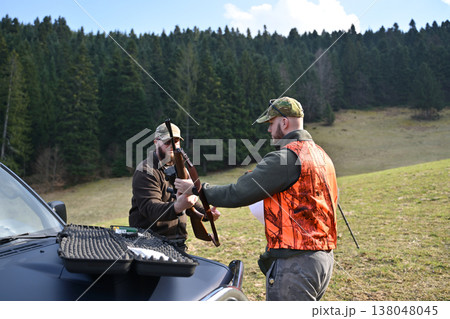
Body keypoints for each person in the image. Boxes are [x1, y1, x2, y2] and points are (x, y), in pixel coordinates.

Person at [175, 97, 338, 300]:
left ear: (284, 122)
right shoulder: (322, 156)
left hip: (294, 265)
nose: (269, 130)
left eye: (271, 124)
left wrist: (197, 189)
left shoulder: (285, 158)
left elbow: (237, 193)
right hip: (323, 261)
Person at [129, 122, 219, 250]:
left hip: (177, 243)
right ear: (156, 142)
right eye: (167, 142)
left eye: (176, 141)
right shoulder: (145, 170)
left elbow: (189, 202)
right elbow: (150, 208)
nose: (172, 145)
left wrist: (207, 213)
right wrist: (177, 206)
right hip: (148, 244)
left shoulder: (180, 169)